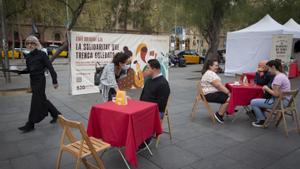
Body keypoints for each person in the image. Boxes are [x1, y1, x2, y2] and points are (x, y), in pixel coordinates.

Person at [18, 35, 61, 133]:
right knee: (42, 100)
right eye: (28, 43)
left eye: (32, 43)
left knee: (35, 102)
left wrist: (55, 81)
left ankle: (30, 124)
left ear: (36, 44)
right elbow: (29, 69)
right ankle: (56, 115)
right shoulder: (28, 56)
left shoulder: (42, 54)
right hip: (33, 81)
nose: (30, 45)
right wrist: (20, 71)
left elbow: (50, 68)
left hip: (40, 81)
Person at [138, 59, 170, 150]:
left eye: (148, 68)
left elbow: (161, 104)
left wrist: (146, 109)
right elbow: (143, 96)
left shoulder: (163, 83)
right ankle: (134, 137)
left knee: (142, 118)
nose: (145, 70)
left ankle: (145, 141)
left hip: (155, 111)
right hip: (145, 108)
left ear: (155, 69)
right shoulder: (148, 81)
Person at [250, 60, 291, 128]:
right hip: (285, 101)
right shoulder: (283, 75)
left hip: (279, 102)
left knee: (253, 102)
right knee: (260, 100)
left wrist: (266, 88)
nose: (268, 71)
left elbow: (276, 94)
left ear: (273, 67)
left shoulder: (278, 78)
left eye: (269, 68)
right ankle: (262, 117)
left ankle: (261, 120)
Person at [200, 58, 230, 124]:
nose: (217, 67)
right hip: (207, 95)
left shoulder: (209, 72)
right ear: (210, 66)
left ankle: (228, 109)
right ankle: (219, 115)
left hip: (207, 93)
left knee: (228, 94)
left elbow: (218, 86)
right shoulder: (210, 74)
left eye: (217, 65)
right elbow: (218, 86)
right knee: (229, 98)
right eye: (216, 65)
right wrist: (228, 92)